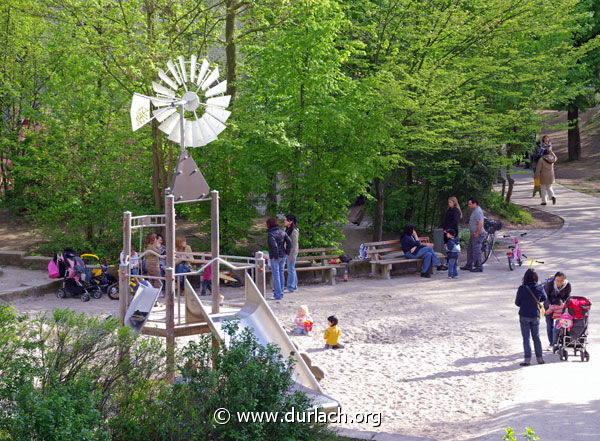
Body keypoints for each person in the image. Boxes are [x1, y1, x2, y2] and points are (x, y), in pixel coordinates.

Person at [515, 269, 547, 366]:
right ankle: (540, 359)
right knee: (536, 337)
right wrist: (537, 300)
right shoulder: (539, 288)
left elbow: (517, 303)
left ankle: (527, 360)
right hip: (535, 315)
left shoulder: (522, 288)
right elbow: (544, 298)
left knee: (526, 338)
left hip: (524, 315)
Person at [543, 272, 571, 350]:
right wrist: (549, 306)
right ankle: (551, 343)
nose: (559, 282)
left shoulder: (567, 285)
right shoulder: (549, 285)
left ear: (564, 280)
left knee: (559, 325)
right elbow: (545, 297)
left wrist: (564, 305)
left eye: (561, 280)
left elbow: (568, 297)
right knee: (549, 326)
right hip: (550, 307)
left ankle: (557, 342)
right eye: (557, 280)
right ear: (555, 279)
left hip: (560, 307)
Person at [266, 217, 291, 300]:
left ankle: (277, 294)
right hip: (283, 255)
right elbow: (289, 242)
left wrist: (276, 255)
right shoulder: (282, 232)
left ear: (268, 225)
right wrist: (287, 252)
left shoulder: (271, 234)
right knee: (281, 274)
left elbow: (274, 245)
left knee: (276, 275)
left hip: (275, 257)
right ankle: (281, 293)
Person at [461, 197, 485, 272]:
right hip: (473, 234)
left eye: (470, 204)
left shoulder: (477, 211)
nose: (469, 205)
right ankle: (469, 265)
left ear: (475, 204)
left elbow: (480, 223)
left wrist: (477, 233)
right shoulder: (475, 210)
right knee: (470, 250)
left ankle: (479, 266)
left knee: (476, 250)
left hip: (477, 234)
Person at [284, 214, 299, 293]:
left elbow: (295, 245)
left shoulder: (294, 231)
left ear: (290, 222)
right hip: (288, 252)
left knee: (290, 270)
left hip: (292, 253)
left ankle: (290, 287)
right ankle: (294, 285)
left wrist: (292, 255)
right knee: (292, 269)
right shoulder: (287, 229)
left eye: (286, 220)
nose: (284, 221)